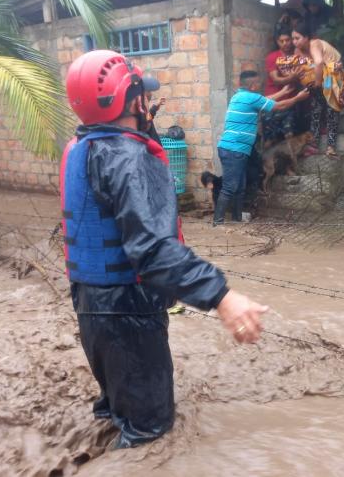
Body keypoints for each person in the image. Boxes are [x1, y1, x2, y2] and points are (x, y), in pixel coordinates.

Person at [61, 50, 269, 449]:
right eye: (141, 93)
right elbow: (153, 250)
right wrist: (222, 297)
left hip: (91, 303)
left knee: (118, 409)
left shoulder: (84, 146)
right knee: (150, 436)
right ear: (132, 99)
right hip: (128, 310)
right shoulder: (128, 159)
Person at [214, 70, 310, 225]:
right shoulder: (251, 97)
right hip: (234, 149)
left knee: (240, 186)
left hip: (231, 148)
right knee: (230, 187)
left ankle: (237, 219)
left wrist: (284, 91)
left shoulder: (239, 96)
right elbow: (278, 106)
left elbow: (263, 100)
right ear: (252, 86)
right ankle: (217, 223)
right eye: (258, 82)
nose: (260, 85)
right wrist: (298, 98)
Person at [292, 21, 344, 158]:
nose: (294, 42)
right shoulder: (298, 51)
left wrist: (317, 82)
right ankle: (314, 144)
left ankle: (330, 147)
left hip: (331, 78)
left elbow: (318, 62)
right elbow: (301, 68)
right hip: (318, 78)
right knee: (316, 110)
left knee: (331, 109)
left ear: (306, 38)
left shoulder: (314, 44)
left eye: (297, 38)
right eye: (293, 38)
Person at [262, 24, 303, 146]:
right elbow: (275, 79)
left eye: (287, 40)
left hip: (291, 102)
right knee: (269, 141)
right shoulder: (272, 57)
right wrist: (292, 77)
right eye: (281, 41)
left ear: (292, 40)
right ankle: (266, 164)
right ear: (277, 42)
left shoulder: (297, 56)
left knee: (290, 137)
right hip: (273, 103)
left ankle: (292, 163)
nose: (285, 43)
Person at [142, 74, 164, 144]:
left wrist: (155, 107)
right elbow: (147, 122)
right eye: (149, 91)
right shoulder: (140, 110)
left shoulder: (145, 110)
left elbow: (149, 118)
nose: (151, 94)